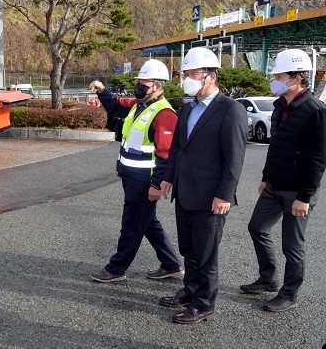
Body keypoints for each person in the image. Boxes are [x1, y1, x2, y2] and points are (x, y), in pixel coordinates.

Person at [159, 47, 247, 324]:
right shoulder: (187, 108)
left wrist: (224, 195)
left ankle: (205, 304)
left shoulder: (230, 109)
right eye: (185, 74)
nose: (187, 79)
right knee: (189, 249)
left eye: (193, 74)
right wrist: (168, 177)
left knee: (206, 254)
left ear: (211, 76)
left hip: (211, 197)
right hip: (185, 191)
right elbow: (178, 148)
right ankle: (190, 291)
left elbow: (234, 157)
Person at [240, 48, 326, 312]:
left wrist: (305, 197)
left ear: (297, 78)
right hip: (274, 186)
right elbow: (275, 147)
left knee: (292, 245)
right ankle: (268, 279)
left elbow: (318, 159)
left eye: (279, 76)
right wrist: (266, 178)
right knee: (257, 228)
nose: (274, 80)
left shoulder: (315, 110)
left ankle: (289, 294)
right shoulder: (280, 107)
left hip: (297, 192)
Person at [88, 59, 183, 284]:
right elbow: (115, 105)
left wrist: (157, 184)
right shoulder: (139, 105)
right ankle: (171, 264)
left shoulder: (164, 114)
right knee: (147, 222)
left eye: (144, 82)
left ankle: (116, 268)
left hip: (145, 181)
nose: (139, 85)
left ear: (158, 86)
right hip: (131, 177)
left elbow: (166, 155)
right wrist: (102, 90)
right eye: (138, 81)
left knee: (131, 225)